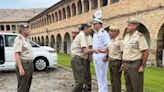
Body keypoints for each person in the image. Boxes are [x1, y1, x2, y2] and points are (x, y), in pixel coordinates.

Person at [123, 19, 148, 92]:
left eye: (129, 25)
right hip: (126, 64)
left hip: (135, 65)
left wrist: (142, 66)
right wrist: (123, 63)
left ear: (134, 26)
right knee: (128, 86)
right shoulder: (126, 36)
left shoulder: (139, 36)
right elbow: (125, 51)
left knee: (137, 87)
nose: (127, 26)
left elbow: (145, 51)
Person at [71, 24, 97, 92]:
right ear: (85, 28)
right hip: (78, 59)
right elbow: (85, 51)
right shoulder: (82, 35)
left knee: (81, 80)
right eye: (89, 29)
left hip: (79, 58)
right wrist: (95, 50)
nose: (90, 30)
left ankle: (87, 87)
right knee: (80, 81)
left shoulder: (84, 36)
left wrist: (90, 55)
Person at [99, 26, 123, 92]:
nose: (109, 33)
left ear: (116, 32)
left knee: (116, 81)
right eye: (109, 31)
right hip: (111, 61)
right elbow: (109, 50)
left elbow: (122, 52)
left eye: (111, 31)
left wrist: (122, 64)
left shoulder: (120, 41)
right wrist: (106, 56)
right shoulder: (111, 41)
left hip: (117, 62)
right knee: (112, 80)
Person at [13, 24, 33, 92]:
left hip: (28, 64)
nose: (29, 30)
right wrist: (20, 68)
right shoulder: (19, 39)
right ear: (23, 31)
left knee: (27, 84)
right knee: (23, 86)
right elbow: (17, 54)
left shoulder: (25, 39)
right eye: (27, 29)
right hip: (24, 64)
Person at [92, 18, 110, 92]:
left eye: (95, 24)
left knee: (102, 76)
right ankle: (101, 90)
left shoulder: (104, 33)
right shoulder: (95, 34)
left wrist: (107, 56)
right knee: (98, 76)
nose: (93, 25)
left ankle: (103, 90)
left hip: (102, 57)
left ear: (99, 24)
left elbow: (108, 45)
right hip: (96, 57)